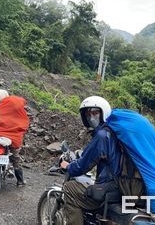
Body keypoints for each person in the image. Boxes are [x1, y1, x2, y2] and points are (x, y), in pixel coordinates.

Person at [59, 96, 122, 224]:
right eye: (88, 114)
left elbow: (82, 166)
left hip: (111, 187)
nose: (91, 117)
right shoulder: (115, 133)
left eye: (95, 113)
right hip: (122, 187)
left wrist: (68, 166)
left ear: (103, 113)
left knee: (70, 188)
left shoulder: (102, 135)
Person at [0, 89, 30, 186]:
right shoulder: (16, 109)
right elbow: (22, 121)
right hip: (12, 137)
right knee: (16, 158)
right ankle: (20, 181)